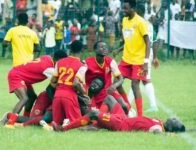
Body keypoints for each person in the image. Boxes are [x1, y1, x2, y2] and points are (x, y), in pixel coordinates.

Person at [0, 50, 68, 128]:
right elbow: (59, 80)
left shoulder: (48, 58)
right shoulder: (48, 68)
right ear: (58, 60)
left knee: (32, 98)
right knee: (24, 98)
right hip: (17, 75)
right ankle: (10, 121)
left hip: (23, 76)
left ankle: (25, 118)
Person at [52, 95, 185, 133]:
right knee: (110, 98)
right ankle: (97, 123)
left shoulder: (158, 129)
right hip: (123, 118)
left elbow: (158, 134)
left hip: (120, 124)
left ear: (172, 128)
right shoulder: (160, 122)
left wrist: (171, 135)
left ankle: (63, 129)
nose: (173, 119)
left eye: (175, 121)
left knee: (93, 112)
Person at [113, 0, 150, 117]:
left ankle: (140, 116)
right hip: (126, 59)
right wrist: (119, 50)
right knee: (116, 82)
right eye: (123, 8)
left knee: (135, 85)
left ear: (133, 9)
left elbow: (148, 43)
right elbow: (128, 40)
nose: (124, 11)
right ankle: (129, 108)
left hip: (138, 60)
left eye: (126, 8)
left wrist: (146, 62)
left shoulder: (141, 22)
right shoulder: (124, 21)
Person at [127, 3, 159, 112]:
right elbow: (154, 40)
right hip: (145, 55)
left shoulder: (138, 23)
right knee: (137, 80)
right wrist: (154, 57)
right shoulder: (148, 24)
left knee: (142, 80)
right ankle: (127, 103)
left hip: (142, 55)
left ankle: (153, 106)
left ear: (135, 11)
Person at [83, 41, 127, 112]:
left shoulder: (110, 61)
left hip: (108, 91)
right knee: (96, 114)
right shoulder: (87, 62)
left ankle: (127, 119)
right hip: (94, 94)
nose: (104, 49)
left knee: (124, 106)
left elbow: (120, 78)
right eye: (101, 47)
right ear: (95, 50)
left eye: (105, 47)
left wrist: (114, 85)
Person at [51, 40, 85, 125]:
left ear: (70, 50)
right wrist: (83, 93)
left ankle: (62, 123)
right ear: (81, 50)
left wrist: (60, 88)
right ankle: (67, 123)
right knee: (77, 123)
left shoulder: (59, 62)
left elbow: (52, 81)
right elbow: (76, 83)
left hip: (57, 95)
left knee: (56, 123)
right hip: (70, 95)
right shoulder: (82, 65)